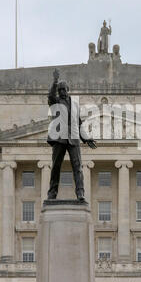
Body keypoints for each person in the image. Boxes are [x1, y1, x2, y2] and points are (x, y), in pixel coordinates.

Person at [47, 68, 96, 201]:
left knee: (78, 166)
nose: (62, 92)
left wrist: (86, 138)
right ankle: (52, 192)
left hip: (73, 138)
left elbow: (78, 123)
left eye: (64, 89)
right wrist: (55, 82)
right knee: (56, 166)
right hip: (59, 138)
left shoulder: (75, 105)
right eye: (60, 90)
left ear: (68, 90)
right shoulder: (56, 102)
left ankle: (80, 192)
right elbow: (50, 96)